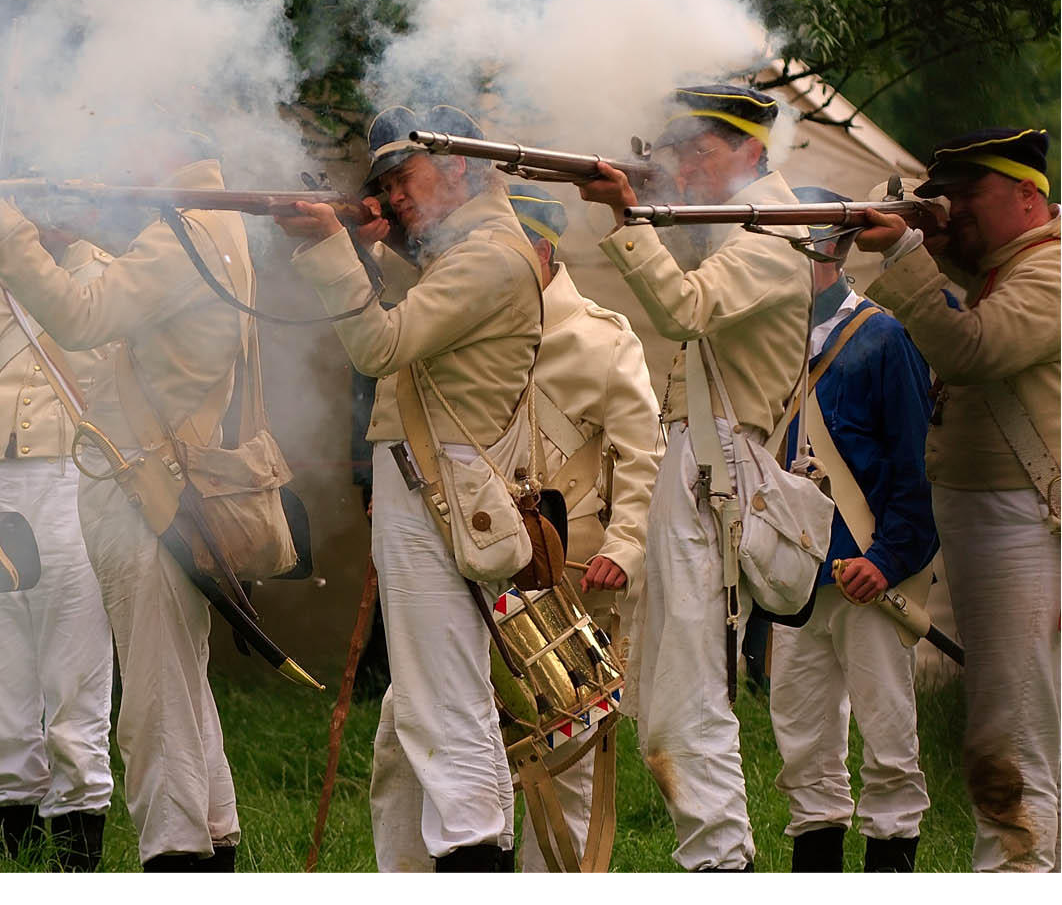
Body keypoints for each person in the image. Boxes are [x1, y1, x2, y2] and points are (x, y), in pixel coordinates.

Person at [0, 124, 251, 871]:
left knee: (145, 700)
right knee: (167, 690)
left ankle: (177, 857)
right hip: (75, 480)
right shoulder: (195, 230)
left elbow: (82, 319)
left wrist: (2, 234)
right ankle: (206, 846)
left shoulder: (164, 244)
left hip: (126, 484)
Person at [277, 104, 541, 872]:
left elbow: (380, 343)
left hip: (437, 492)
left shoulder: (487, 255)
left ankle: (470, 864)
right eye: (384, 184)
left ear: (458, 166)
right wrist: (357, 251)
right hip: (438, 490)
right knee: (418, 718)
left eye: (403, 178)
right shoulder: (473, 250)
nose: (392, 198)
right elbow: (426, 305)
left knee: (444, 712)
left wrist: (333, 251)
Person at [578, 82, 811, 871]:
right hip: (701, 463)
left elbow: (683, 307)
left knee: (686, 696)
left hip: (716, 470)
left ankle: (720, 866)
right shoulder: (739, 229)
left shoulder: (772, 236)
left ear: (752, 150)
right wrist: (640, 204)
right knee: (669, 692)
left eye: (700, 152)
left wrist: (625, 214)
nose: (686, 166)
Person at [856, 127, 1060, 873]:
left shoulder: (1049, 271)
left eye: (970, 193)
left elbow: (973, 348)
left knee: (1009, 733)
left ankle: (1017, 875)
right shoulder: (1005, 267)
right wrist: (935, 244)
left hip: (1020, 519)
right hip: (1000, 514)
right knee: (1015, 720)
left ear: (1027, 195)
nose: (954, 208)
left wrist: (907, 254)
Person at [766, 187, 938, 873]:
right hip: (794, 577)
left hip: (868, 572)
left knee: (889, 739)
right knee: (803, 743)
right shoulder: (770, 338)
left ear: (827, 251)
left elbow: (914, 466)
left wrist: (888, 559)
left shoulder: (884, 336)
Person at [503, 183, 662, 873]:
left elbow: (643, 456)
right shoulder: (466, 334)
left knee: (563, 754)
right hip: (477, 571)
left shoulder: (603, 339)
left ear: (538, 251)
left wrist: (626, 547)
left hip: (572, 575)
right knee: (419, 734)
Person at [0, 232, 116, 871]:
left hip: (71, 480)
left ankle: (75, 868)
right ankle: (17, 867)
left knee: (75, 681)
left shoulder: (101, 274)